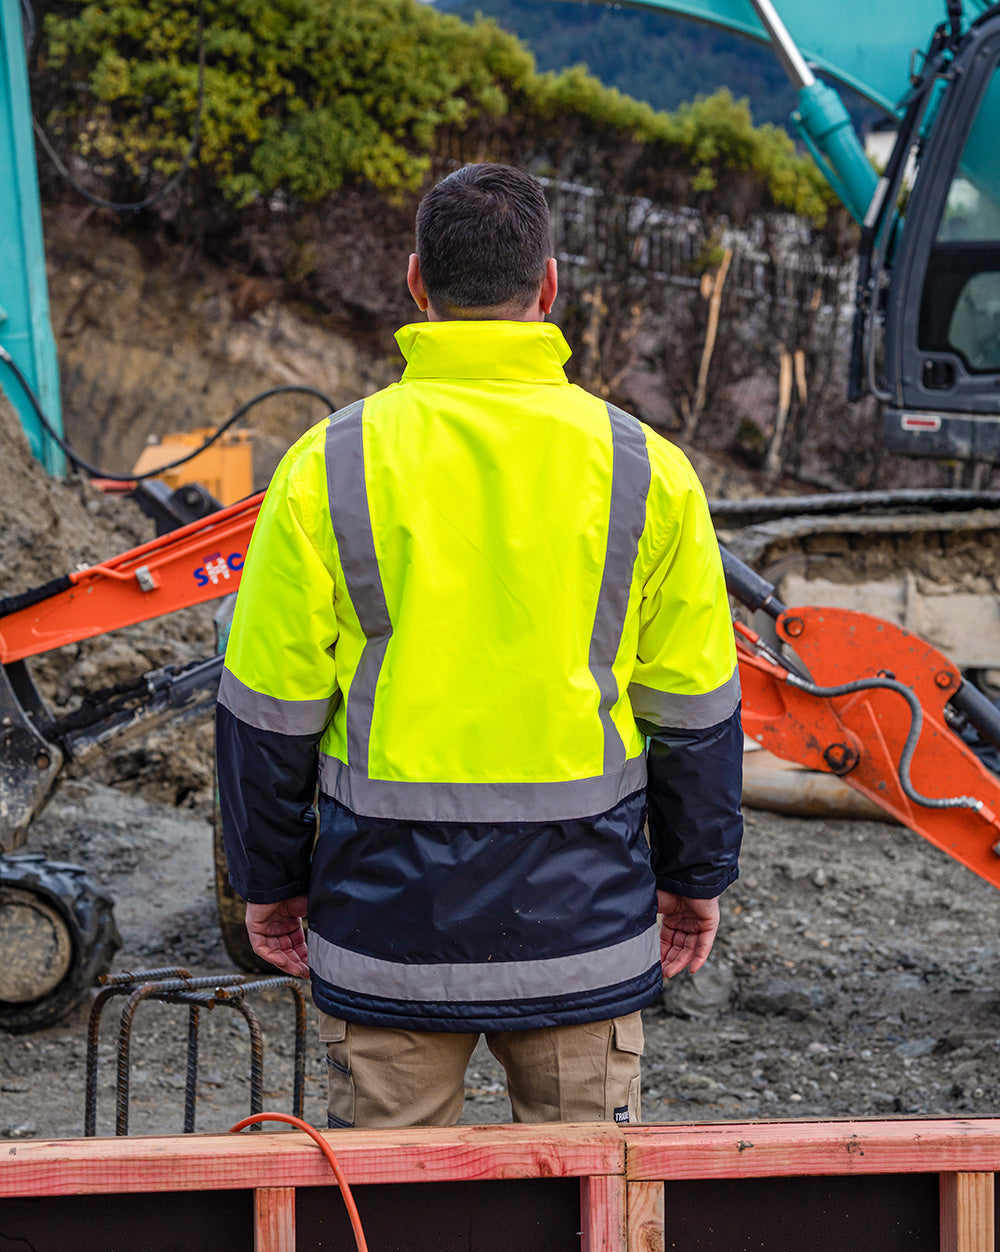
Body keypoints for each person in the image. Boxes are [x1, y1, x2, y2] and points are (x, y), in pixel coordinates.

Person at [216, 162, 743, 1130]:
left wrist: (271, 885)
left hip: (386, 934)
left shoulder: (325, 467)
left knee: (397, 1218)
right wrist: (693, 879)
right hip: (584, 934)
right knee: (593, 1213)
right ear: (547, 290)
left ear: (416, 282)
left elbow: (265, 712)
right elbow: (695, 712)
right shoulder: (647, 474)